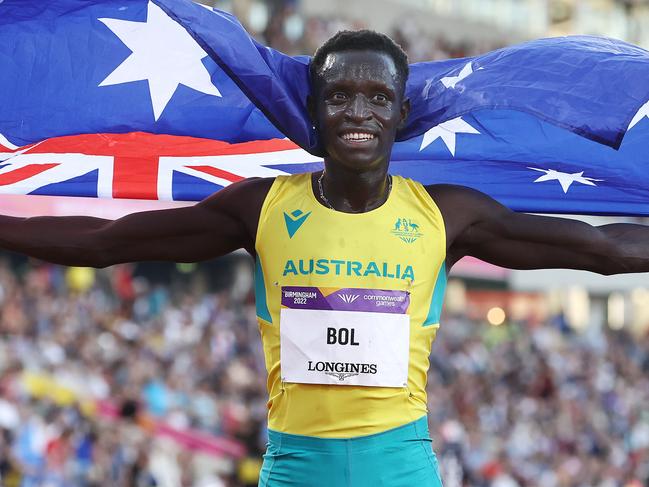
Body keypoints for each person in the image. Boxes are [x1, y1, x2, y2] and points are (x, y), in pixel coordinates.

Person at [1, 30, 648, 487]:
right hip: (294, 467)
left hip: (401, 469)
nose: (357, 112)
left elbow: (601, 250)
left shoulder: (447, 214)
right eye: (339, 96)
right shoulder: (262, 209)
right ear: (312, 112)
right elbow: (106, 242)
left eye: (375, 98)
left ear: (401, 113)